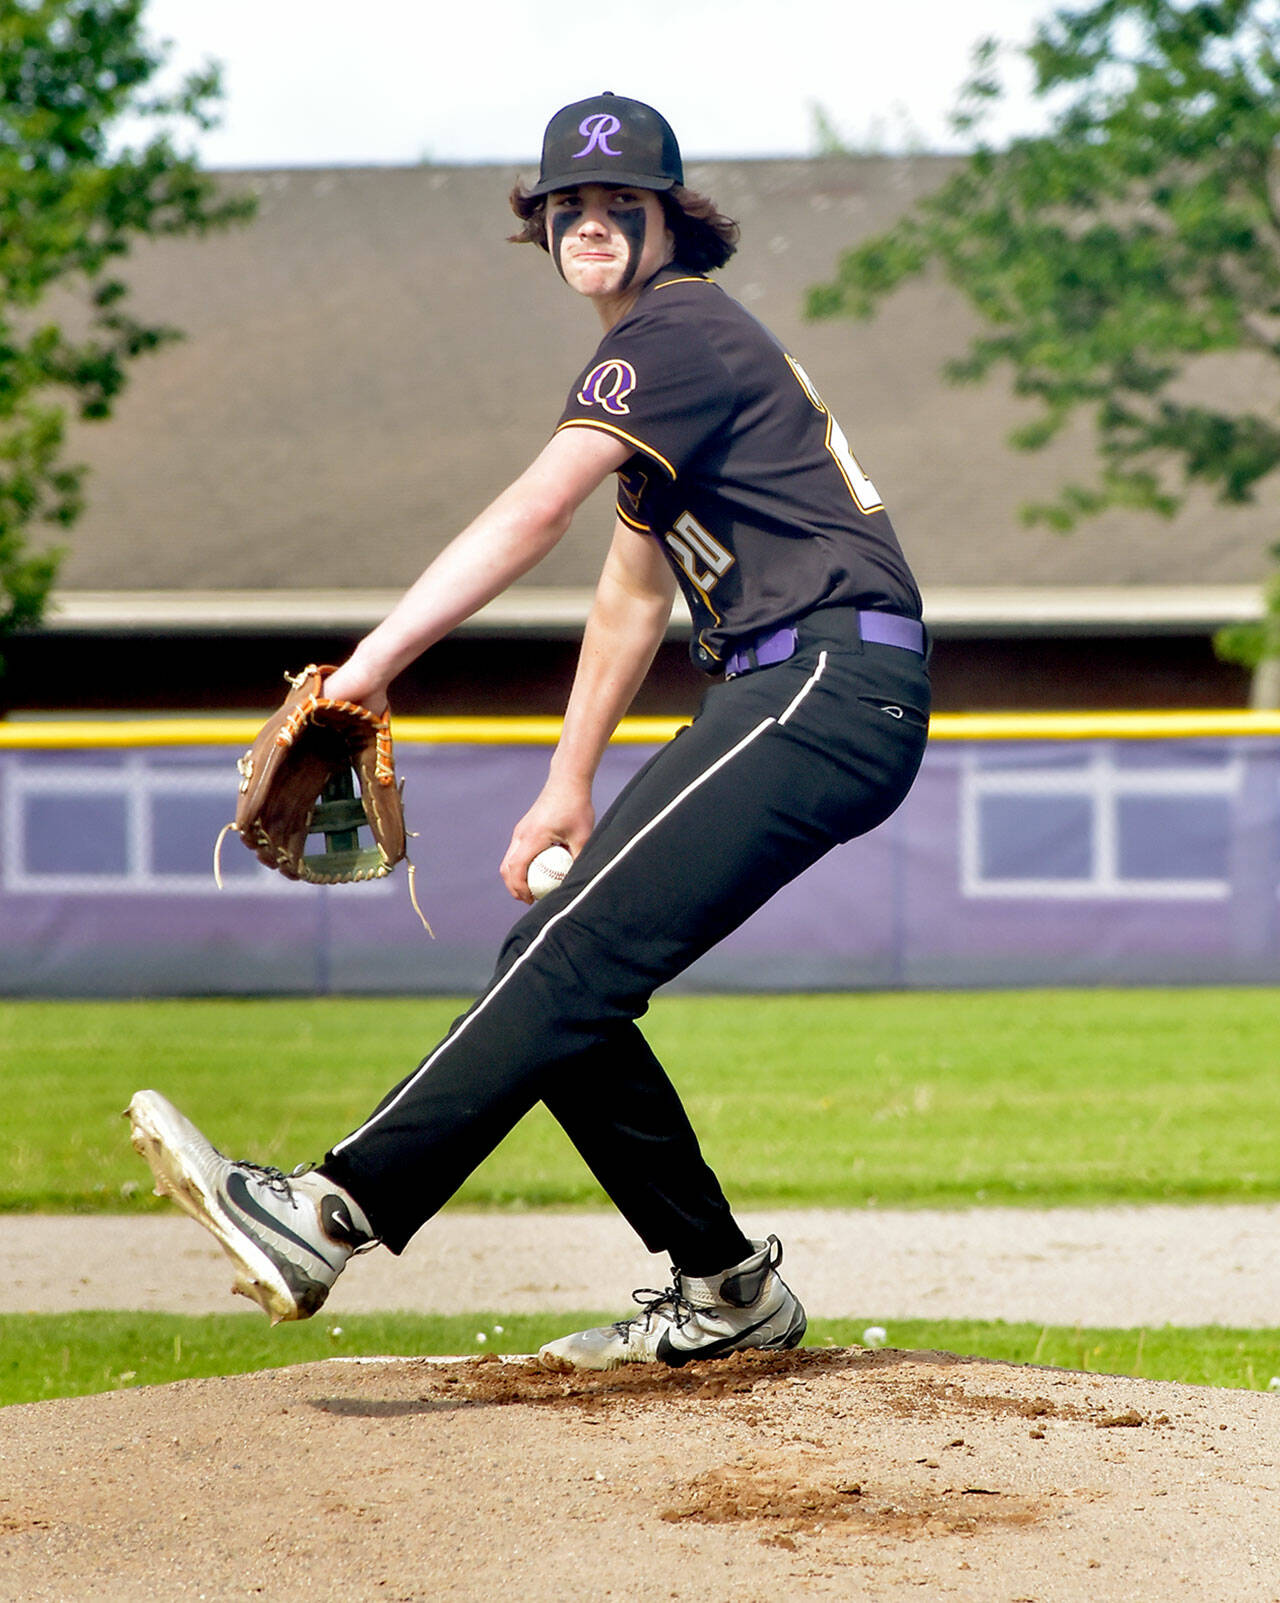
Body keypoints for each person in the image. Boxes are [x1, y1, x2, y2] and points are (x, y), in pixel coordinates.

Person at [128, 92, 931, 1372]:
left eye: (624, 201)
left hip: (817, 680)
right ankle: (724, 1290)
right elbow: (628, 584)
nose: (593, 220)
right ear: (541, 224)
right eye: (570, 203)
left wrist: (368, 672)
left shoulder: (672, 333)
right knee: (561, 969)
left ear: (673, 220)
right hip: (792, 689)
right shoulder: (670, 360)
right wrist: (566, 784)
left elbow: (535, 507)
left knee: (561, 958)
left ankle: (328, 1211)